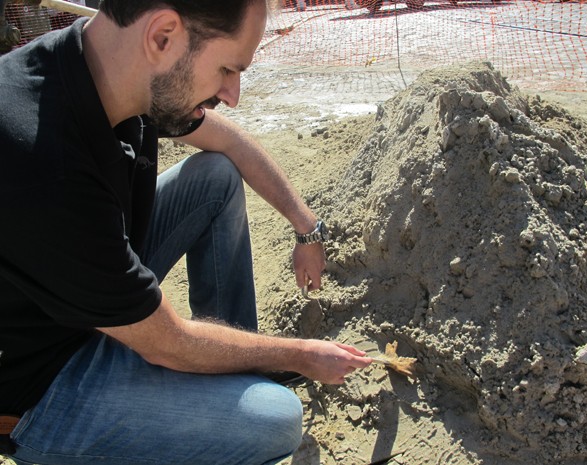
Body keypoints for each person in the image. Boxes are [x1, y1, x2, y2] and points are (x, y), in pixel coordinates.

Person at [0, 1, 373, 464]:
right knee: (276, 420)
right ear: (162, 37)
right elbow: (167, 343)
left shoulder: (105, 64)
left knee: (214, 176)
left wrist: (306, 227)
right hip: (45, 383)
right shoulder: (41, 157)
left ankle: (233, 366)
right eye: (227, 69)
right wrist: (297, 354)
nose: (233, 94)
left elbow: (232, 142)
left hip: (89, 295)